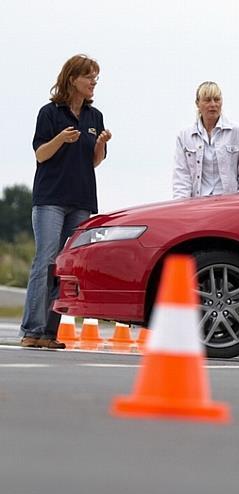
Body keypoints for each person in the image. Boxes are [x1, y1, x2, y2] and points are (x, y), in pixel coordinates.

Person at [20, 54, 112, 349]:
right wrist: (61, 138)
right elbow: (40, 154)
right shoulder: (49, 113)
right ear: (73, 79)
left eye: (95, 78)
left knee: (65, 266)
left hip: (82, 199)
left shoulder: (94, 117)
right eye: (89, 77)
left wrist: (99, 145)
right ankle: (31, 330)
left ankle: (49, 333)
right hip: (50, 199)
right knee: (45, 261)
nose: (93, 82)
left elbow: (94, 162)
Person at [172, 81, 239, 198]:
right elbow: (181, 177)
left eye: (216, 99)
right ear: (197, 104)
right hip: (198, 203)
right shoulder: (185, 136)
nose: (213, 104)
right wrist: (182, 207)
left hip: (229, 203)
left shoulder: (236, 132)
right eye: (207, 100)